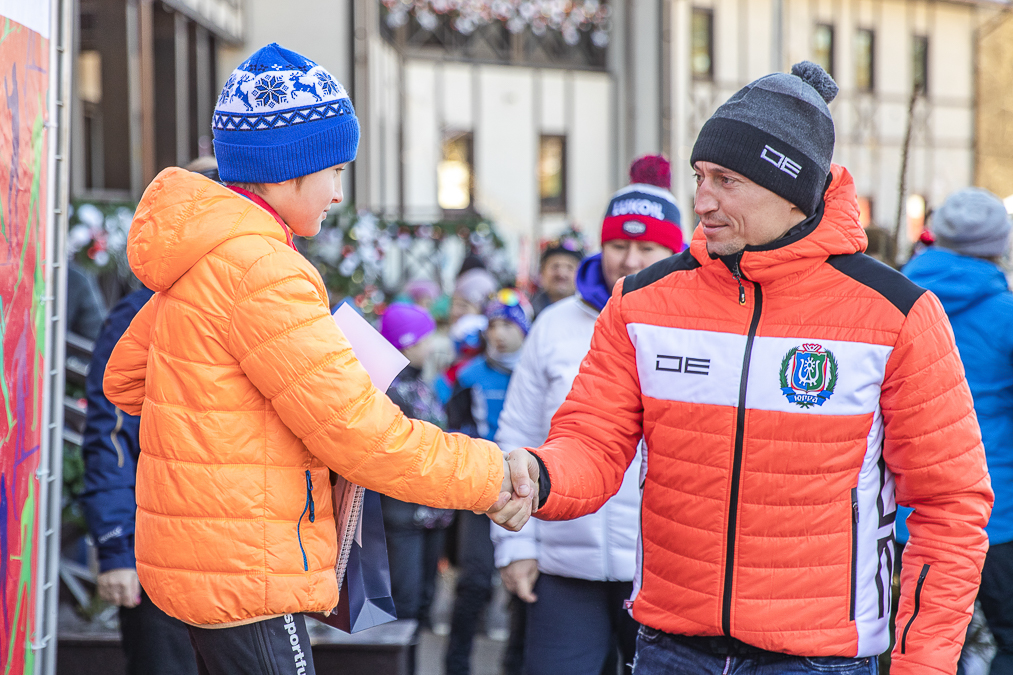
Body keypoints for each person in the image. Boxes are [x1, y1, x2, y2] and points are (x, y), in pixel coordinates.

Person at [492, 62, 993, 675]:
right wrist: (538, 474)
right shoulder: (642, 302)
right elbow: (592, 443)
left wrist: (925, 664)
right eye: (701, 176)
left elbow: (950, 507)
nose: (702, 200)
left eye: (726, 180)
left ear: (791, 190)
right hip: (669, 649)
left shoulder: (897, 313)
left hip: (818, 659)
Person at [103, 44, 532, 675]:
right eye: (333, 169)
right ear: (288, 169)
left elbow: (127, 378)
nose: (337, 194)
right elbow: (361, 435)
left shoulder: (208, 257)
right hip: (250, 565)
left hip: (202, 556)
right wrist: (488, 476)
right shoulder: (263, 269)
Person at [492, 180, 682, 675]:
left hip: (666, 573)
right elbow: (517, 434)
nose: (630, 259)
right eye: (619, 245)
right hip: (562, 569)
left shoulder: (697, 327)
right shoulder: (554, 325)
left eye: (647, 246)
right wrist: (515, 547)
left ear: (676, 248)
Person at [902, 188, 1013, 675]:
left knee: (911, 643)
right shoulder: (1006, 316)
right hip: (997, 514)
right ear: (999, 246)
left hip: (903, 514)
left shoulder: (890, 299)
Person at [80, 286, 199, 675]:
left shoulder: (264, 293)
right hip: (161, 555)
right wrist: (116, 546)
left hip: (246, 556)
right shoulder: (143, 310)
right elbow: (110, 438)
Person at [444, 290, 532, 675]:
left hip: (530, 490)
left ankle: (515, 665)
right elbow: (449, 428)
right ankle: (455, 666)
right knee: (475, 583)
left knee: (524, 590)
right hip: (480, 490)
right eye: (493, 324)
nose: (499, 334)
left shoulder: (535, 371)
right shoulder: (467, 375)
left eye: (508, 325)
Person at [377, 302, 454, 670]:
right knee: (403, 605)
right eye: (423, 339)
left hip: (433, 512)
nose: (430, 345)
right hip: (403, 513)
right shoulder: (388, 389)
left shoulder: (422, 382)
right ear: (404, 344)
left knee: (423, 601)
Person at [530, 241, 583, 318]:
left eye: (570, 267)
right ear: (542, 271)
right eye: (555, 266)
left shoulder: (591, 313)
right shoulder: (527, 312)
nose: (561, 274)